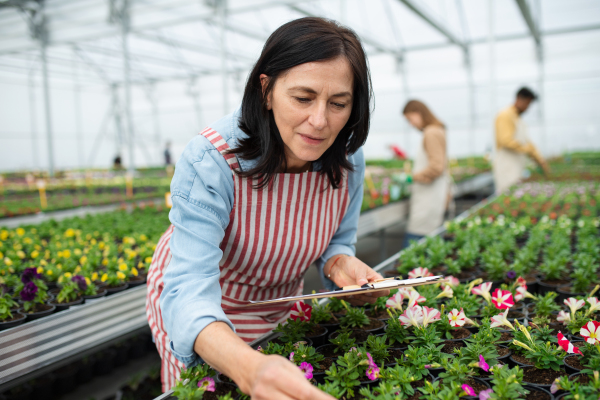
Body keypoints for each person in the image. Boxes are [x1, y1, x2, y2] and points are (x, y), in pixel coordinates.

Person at [146, 17, 389, 399]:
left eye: (338, 103)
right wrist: (249, 367)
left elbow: (338, 241)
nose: (320, 121)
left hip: (278, 302)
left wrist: (341, 264)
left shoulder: (347, 160)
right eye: (303, 98)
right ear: (266, 90)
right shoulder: (212, 159)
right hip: (204, 312)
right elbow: (189, 292)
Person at [401, 100, 449, 247]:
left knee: (414, 244)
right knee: (429, 244)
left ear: (418, 113)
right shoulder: (437, 129)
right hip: (433, 196)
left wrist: (411, 177)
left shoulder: (431, 133)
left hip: (428, 199)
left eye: (410, 119)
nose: (411, 124)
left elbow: (436, 167)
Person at [493, 87, 550, 194]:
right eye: (527, 104)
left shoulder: (518, 119)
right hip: (506, 167)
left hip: (516, 168)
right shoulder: (505, 115)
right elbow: (505, 141)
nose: (527, 108)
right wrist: (527, 150)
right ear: (519, 99)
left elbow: (528, 143)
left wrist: (539, 160)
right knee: (507, 197)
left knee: (514, 197)